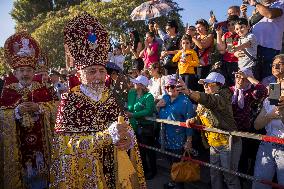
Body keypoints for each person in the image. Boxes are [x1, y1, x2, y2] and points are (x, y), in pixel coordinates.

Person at [49, 13, 146, 189]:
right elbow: (67, 148)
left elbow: (125, 126)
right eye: (92, 71)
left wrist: (128, 139)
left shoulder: (110, 96)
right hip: (88, 176)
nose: (99, 77)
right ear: (79, 75)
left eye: (102, 71)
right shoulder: (69, 100)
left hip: (116, 168)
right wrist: (106, 136)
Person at [0, 32, 57, 189]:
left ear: (34, 72)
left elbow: (56, 109)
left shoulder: (43, 90)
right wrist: (15, 112)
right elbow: (2, 115)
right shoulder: (7, 91)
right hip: (19, 148)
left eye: (28, 70)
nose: (25, 73)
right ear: (15, 73)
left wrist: (40, 108)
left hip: (43, 146)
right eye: (22, 70)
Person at [181, 72, 242, 189]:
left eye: (208, 84)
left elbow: (211, 101)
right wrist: (194, 120)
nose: (205, 86)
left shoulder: (223, 97)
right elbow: (204, 117)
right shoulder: (205, 99)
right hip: (214, 143)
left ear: (219, 85)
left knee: (229, 177)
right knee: (214, 174)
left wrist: (189, 92)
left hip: (228, 143)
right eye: (204, 84)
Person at [156, 75, 195, 189]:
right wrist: (157, 106)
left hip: (178, 139)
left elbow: (190, 123)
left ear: (177, 87)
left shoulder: (185, 101)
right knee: (170, 162)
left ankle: (178, 185)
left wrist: (189, 141)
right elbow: (158, 113)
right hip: (165, 137)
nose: (169, 89)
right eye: (167, 87)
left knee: (178, 163)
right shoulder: (165, 97)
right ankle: (173, 181)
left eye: (172, 86)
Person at [230, 68, 267, 185]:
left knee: (243, 156)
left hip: (246, 130)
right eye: (238, 77)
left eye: (243, 78)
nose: (240, 80)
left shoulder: (252, 92)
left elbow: (264, 91)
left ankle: (241, 180)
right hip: (231, 129)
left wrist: (249, 77)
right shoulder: (229, 90)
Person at [252, 54, 284, 189]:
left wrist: (281, 115)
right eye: (273, 64)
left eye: (280, 63)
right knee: (260, 185)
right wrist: (272, 115)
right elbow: (257, 125)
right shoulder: (274, 89)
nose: (275, 66)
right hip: (267, 144)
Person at [126, 75, 156, 180]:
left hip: (146, 127)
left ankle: (152, 171)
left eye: (137, 82)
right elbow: (129, 107)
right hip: (134, 126)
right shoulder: (131, 93)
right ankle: (144, 170)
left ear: (142, 86)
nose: (134, 83)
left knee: (149, 151)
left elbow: (149, 111)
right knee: (139, 150)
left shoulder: (149, 96)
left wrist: (133, 114)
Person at [249, 0, 284, 80]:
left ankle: (274, 93)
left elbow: (270, 14)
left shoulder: (281, 3)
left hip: (269, 49)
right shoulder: (261, 7)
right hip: (254, 48)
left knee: (270, 78)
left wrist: (255, 3)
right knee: (254, 78)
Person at [216, 15, 240, 86]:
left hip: (237, 63)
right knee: (227, 84)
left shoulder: (241, 34)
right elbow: (221, 49)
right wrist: (218, 34)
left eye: (233, 24)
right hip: (226, 63)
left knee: (236, 84)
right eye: (228, 25)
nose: (230, 26)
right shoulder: (227, 35)